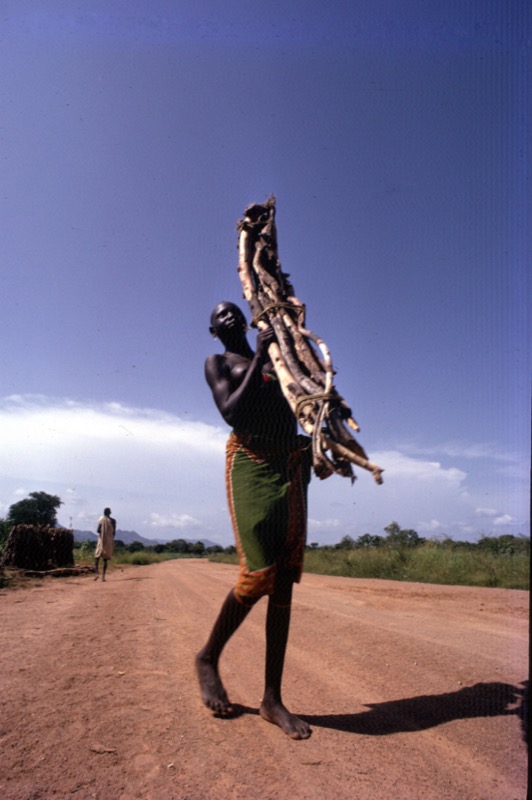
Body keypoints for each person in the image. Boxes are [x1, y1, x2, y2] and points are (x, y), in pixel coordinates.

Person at [196, 301, 312, 739]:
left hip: (290, 464)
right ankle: (208, 656)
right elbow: (231, 411)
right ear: (213, 331)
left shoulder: (278, 355)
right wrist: (260, 356)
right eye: (219, 316)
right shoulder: (218, 362)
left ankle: (272, 699)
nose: (228, 316)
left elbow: (302, 399)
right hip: (250, 460)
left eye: (233, 310)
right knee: (257, 572)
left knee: (283, 578)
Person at [94, 507, 116, 582]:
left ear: (104, 513)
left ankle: (97, 574)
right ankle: (103, 576)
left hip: (101, 539)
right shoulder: (113, 521)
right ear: (110, 513)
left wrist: (103, 531)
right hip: (109, 540)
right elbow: (113, 532)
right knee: (105, 559)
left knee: (97, 556)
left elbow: (98, 530)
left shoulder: (101, 520)